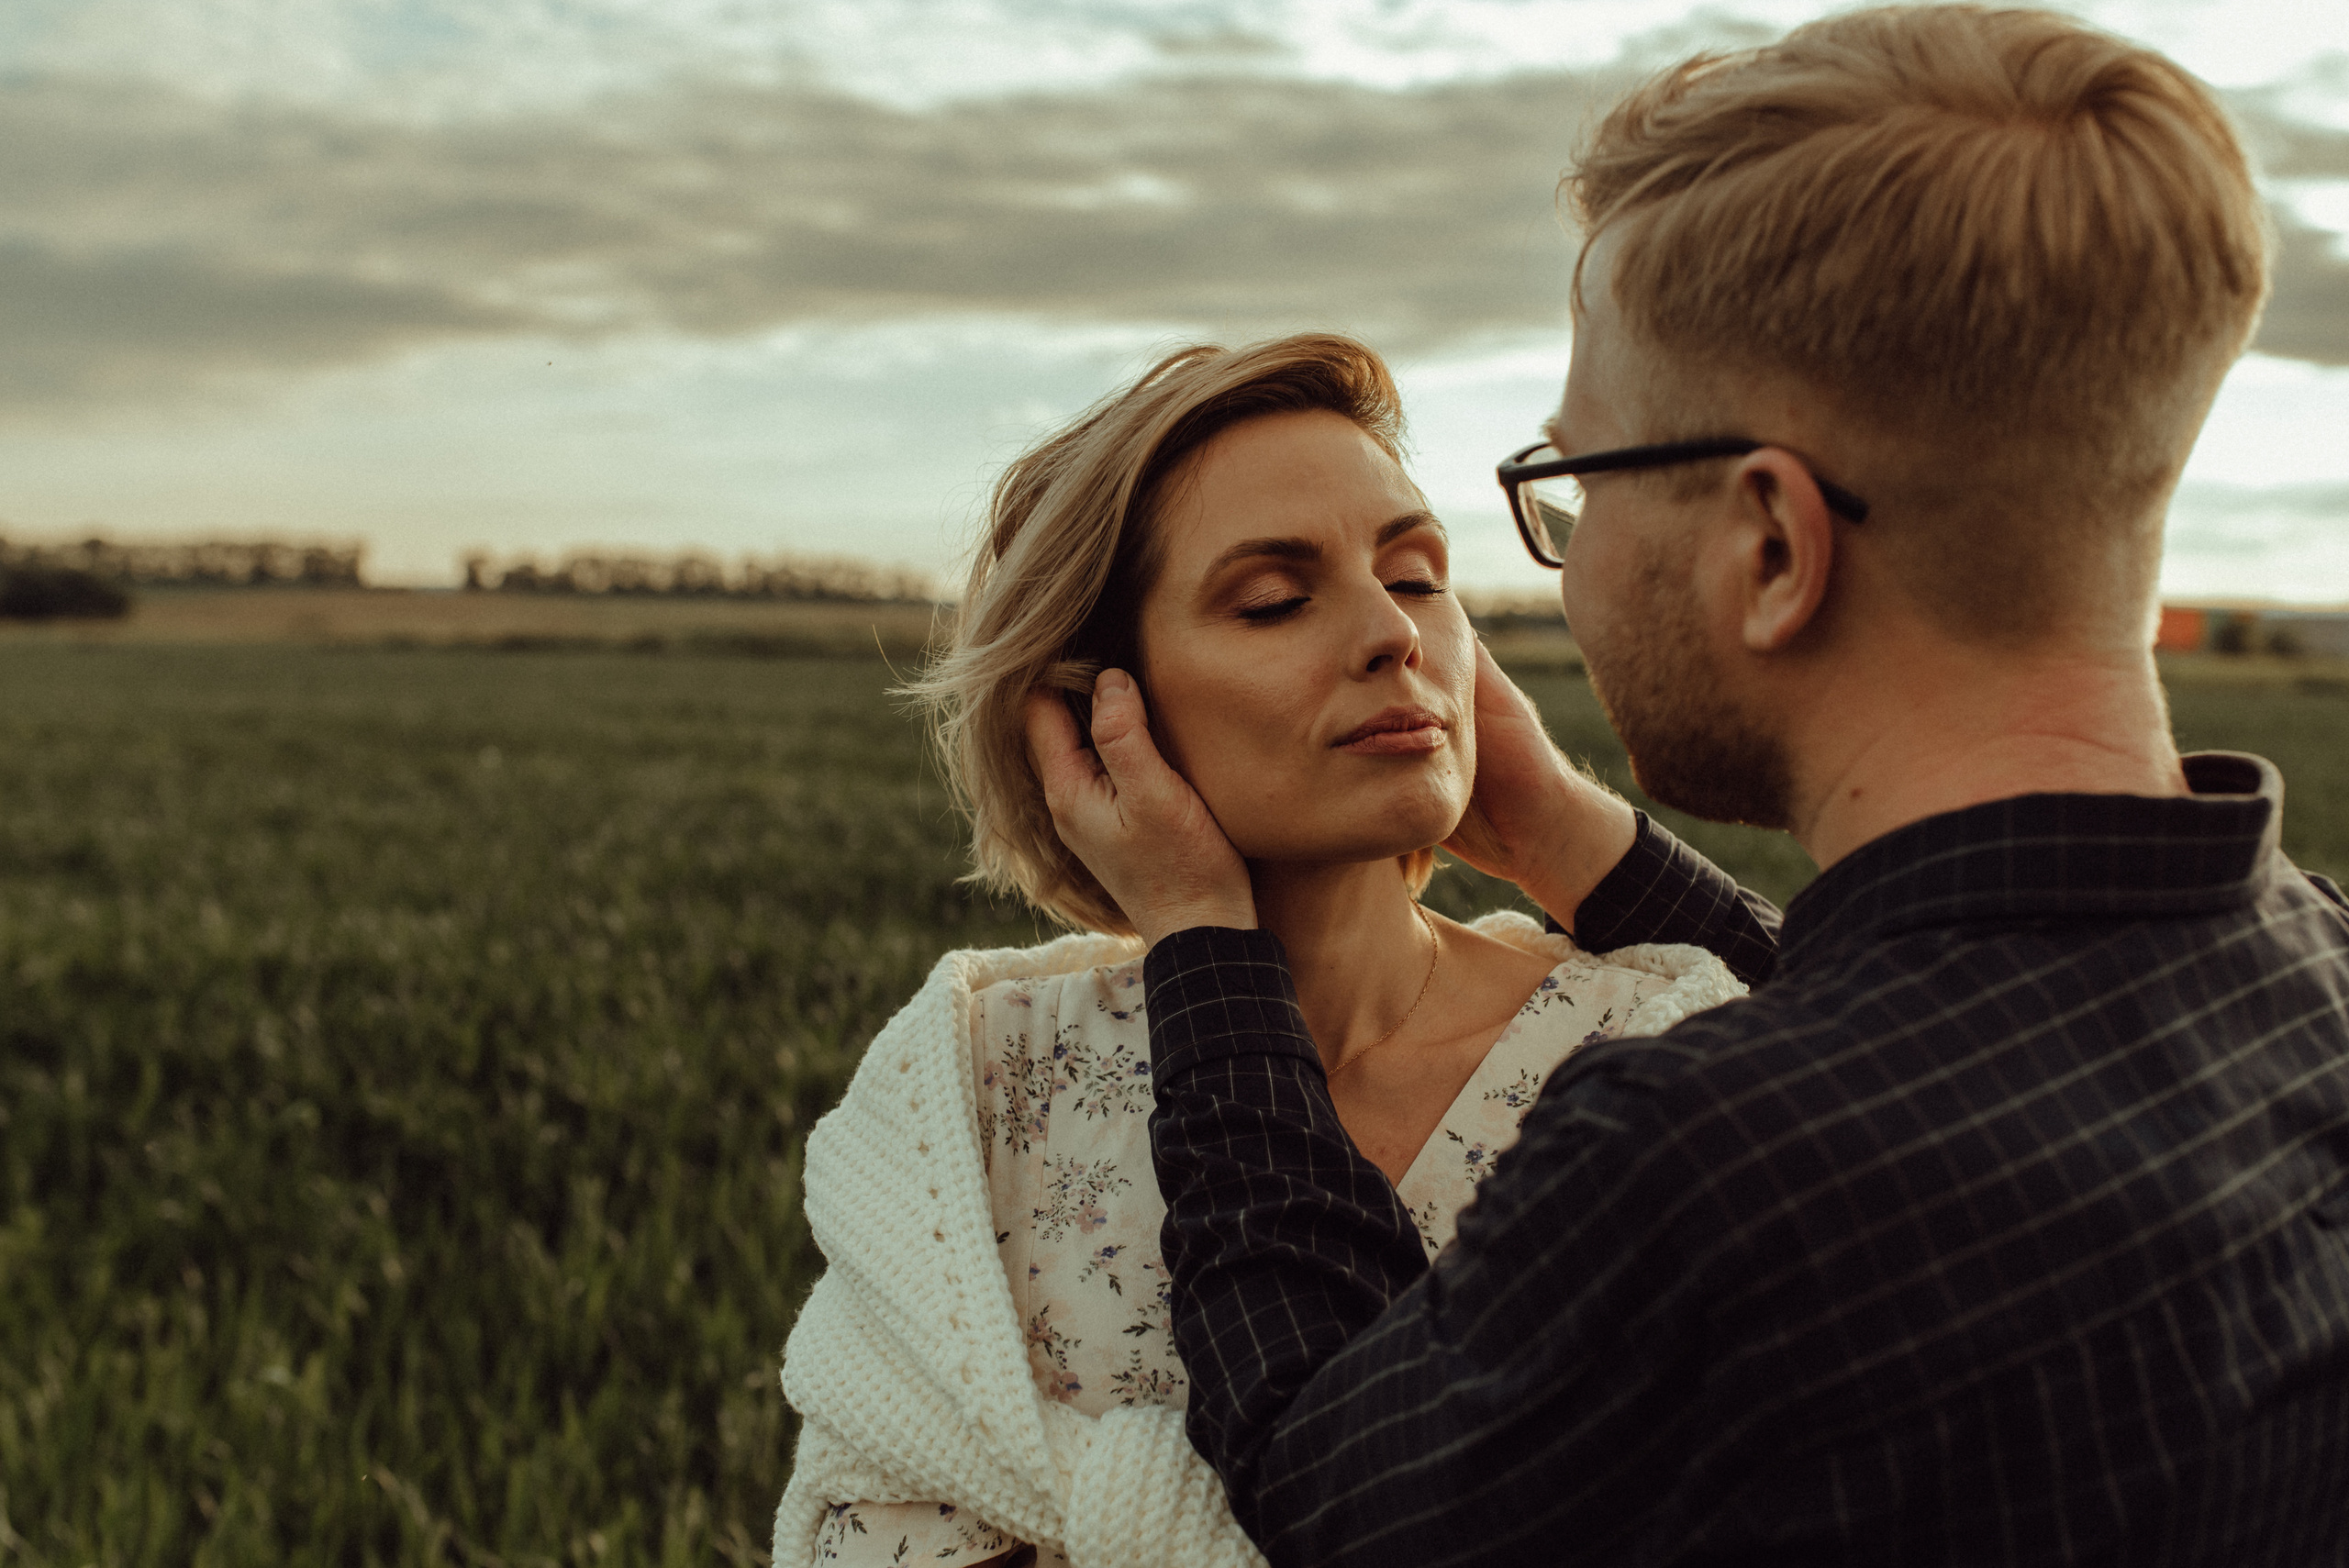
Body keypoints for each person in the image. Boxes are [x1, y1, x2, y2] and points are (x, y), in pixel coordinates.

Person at [1026, 7, 2349, 1564]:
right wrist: (1582, 841)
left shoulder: (1698, 1167)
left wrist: (1201, 941)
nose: (1547, 579)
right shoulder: (2311, 971)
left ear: (1773, 545)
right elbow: (1956, 1027)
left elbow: (1323, 1478)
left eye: (1578, 486)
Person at [773, 335, 1745, 1567]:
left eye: (1418, 576)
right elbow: (865, 1506)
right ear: (1091, 711)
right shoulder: (979, 1080)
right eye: (1275, 599)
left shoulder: (1658, 1038)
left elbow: (1937, 1079)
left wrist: (1562, 820)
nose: (1393, 634)